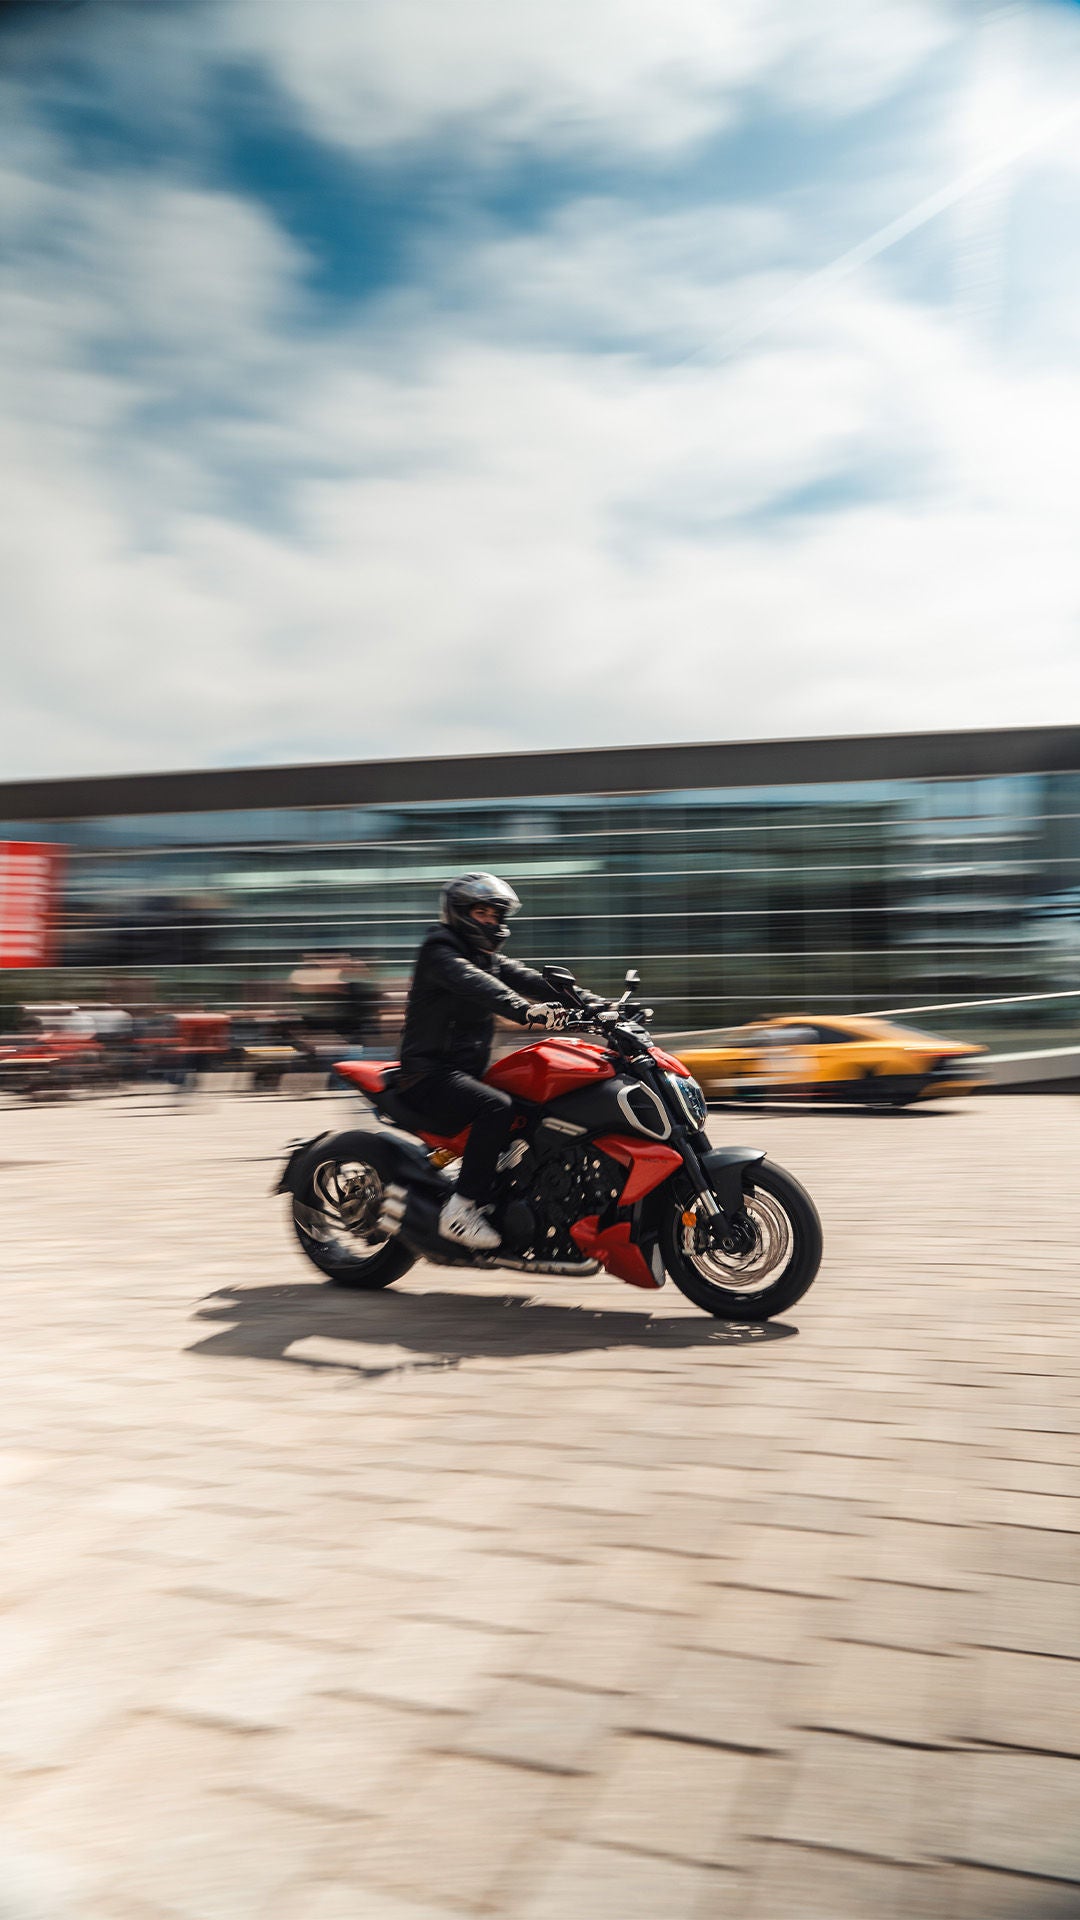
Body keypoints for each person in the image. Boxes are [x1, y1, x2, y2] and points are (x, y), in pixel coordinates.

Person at [397, 873, 604, 1250]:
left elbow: (532, 979)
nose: (490, 922)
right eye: (481, 913)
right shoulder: (440, 950)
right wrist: (527, 1012)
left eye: (496, 915)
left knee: (541, 1106)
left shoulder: (485, 958)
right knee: (497, 1106)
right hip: (428, 1075)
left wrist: (598, 1005)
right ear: (460, 914)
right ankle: (461, 1209)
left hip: (465, 1074)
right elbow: (478, 984)